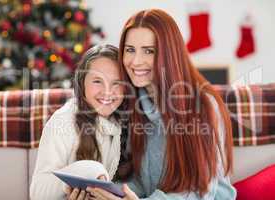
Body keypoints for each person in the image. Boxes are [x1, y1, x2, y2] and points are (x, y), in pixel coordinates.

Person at [87, 9, 237, 200]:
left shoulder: (203, 104)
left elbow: (200, 191)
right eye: (130, 50)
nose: (136, 61)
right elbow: (140, 182)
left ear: (169, 54)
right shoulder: (134, 104)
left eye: (149, 51)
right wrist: (107, 193)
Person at [30, 44, 126, 200]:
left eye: (117, 83)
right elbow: (38, 193)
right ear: (82, 83)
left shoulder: (121, 122)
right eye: (97, 81)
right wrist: (89, 171)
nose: (107, 91)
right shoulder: (63, 122)